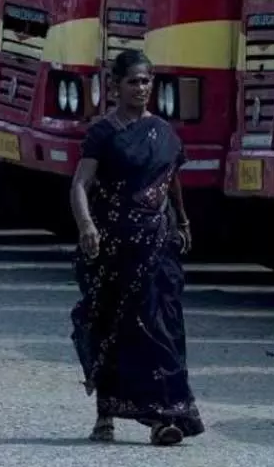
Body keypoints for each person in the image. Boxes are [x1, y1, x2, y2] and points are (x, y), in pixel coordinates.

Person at [69, 49, 205, 446]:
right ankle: (106, 412)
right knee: (114, 327)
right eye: (133, 81)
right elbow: (80, 185)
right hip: (114, 249)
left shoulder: (164, 132)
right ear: (116, 86)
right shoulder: (103, 132)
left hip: (158, 246)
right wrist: (87, 226)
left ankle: (166, 417)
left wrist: (183, 221)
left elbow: (171, 179)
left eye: (146, 81)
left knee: (163, 327)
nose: (141, 88)